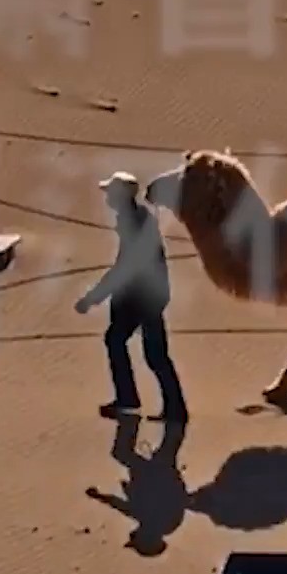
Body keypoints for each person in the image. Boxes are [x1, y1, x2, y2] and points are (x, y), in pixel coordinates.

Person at [75, 170, 187, 424]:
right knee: (135, 345)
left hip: (143, 296)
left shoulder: (132, 222)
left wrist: (94, 297)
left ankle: (146, 402)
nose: (107, 198)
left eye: (110, 193)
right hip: (149, 293)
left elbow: (125, 266)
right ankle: (155, 403)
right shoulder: (137, 218)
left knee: (145, 350)